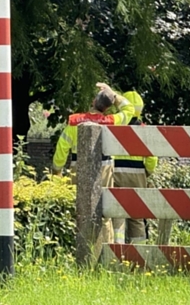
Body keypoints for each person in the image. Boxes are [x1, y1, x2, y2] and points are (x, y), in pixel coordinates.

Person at [51, 82, 134, 184]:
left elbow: (62, 147)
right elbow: (129, 109)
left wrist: (57, 169)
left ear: (93, 102)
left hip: (78, 169)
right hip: (104, 170)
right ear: (107, 108)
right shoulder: (112, 122)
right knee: (104, 199)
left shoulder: (75, 122)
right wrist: (113, 94)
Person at [111, 91, 158, 244]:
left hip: (115, 172)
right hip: (137, 173)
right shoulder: (144, 130)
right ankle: (139, 252)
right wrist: (147, 172)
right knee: (137, 214)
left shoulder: (116, 127)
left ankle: (116, 248)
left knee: (116, 211)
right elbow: (152, 158)